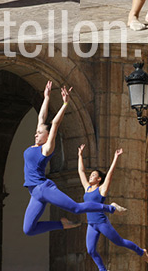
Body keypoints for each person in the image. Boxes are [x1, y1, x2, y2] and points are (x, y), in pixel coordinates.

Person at [23, 81, 119, 236]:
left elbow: (54, 123)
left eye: (40, 133)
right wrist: (46, 97)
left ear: (47, 136)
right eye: (36, 132)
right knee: (28, 229)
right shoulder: (36, 144)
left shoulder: (46, 148)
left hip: (43, 188)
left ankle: (110, 208)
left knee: (76, 208)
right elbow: (42, 117)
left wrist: (65, 104)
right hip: (35, 193)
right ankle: (62, 224)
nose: (36, 134)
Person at [77, 145, 148, 271]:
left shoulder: (102, 189)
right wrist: (80, 155)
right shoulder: (87, 188)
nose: (90, 176)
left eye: (93, 175)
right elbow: (80, 171)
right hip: (91, 224)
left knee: (119, 242)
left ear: (98, 179)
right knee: (90, 250)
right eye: (90, 175)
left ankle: (141, 251)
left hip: (101, 222)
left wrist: (115, 157)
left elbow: (110, 173)